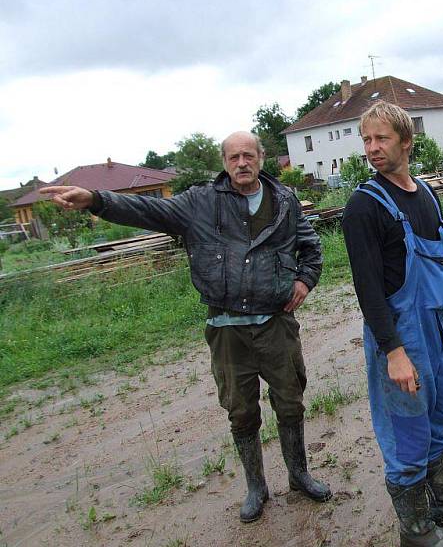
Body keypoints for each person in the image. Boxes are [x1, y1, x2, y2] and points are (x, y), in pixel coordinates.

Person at [41, 131, 331, 523]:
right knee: (241, 412)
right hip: (227, 330)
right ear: (224, 162)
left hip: (276, 323)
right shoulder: (200, 203)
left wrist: (304, 281)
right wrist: (96, 199)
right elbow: (145, 209)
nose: (242, 162)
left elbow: (311, 248)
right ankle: (256, 487)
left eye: (248, 155)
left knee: (290, 401)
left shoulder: (285, 201)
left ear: (262, 158)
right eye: (233, 157)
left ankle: (299, 475)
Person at [342, 102, 443, 547]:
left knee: (438, 413)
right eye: (367, 140)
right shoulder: (364, 207)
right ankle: (416, 532)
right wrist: (394, 352)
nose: (372, 148)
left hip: (432, 329)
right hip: (398, 335)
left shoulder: (424, 193)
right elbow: (367, 290)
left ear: (407, 141)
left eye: (381, 138)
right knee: (406, 430)